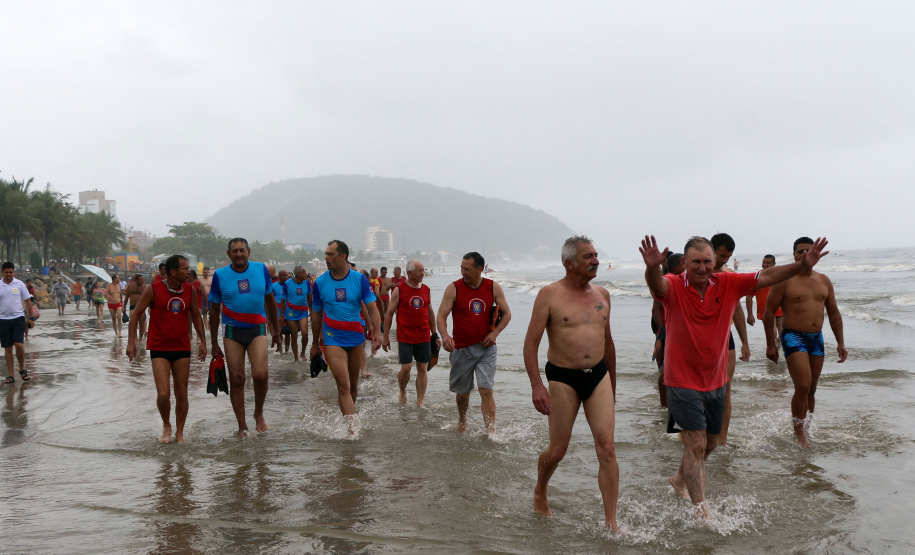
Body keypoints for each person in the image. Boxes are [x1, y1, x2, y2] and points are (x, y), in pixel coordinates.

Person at [640, 234, 829, 519]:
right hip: (680, 380)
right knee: (696, 442)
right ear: (686, 263)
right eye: (695, 262)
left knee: (712, 443)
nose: (702, 267)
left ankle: (680, 478)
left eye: (707, 261)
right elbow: (658, 285)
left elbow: (767, 276)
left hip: (715, 379)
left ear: (714, 261)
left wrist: (801, 265)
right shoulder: (674, 286)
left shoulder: (728, 283)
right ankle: (702, 510)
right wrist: (652, 268)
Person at [523, 236, 619, 530]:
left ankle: (611, 522)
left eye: (596, 255)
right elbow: (531, 344)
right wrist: (537, 385)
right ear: (569, 262)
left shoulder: (603, 294)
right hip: (563, 377)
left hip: (598, 375)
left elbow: (609, 342)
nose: (596, 261)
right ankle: (540, 489)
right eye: (588, 256)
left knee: (607, 449)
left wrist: (612, 386)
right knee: (558, 450)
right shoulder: (549, 294)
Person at [764, 237, 847, 447]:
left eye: (808, 251)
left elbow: (834, 313)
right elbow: (768, 312)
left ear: (816, 254)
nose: (804, 254)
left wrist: (840, 342)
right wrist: (770, 344)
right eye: (800, 251)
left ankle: (807, 428)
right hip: (793, 336)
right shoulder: (785, 280)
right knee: (802, 385)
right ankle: (799, 432)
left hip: (816, 338)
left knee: (812, 388)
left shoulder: (824, 281)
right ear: (794, 255)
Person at [126, 255, 207, 443]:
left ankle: (179, 432)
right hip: (159, 347)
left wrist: (202, 341)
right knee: (163, 394)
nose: (189, 272)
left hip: (181, 347)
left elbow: (196, 316)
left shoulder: (189, 290)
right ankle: (166, 426)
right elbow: (136, 314)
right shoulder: (153, 289)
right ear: (173, 271)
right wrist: (131, 342)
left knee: (181, 393)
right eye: (185, 268)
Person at [208, 238, 281, 437]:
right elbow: (214, 311)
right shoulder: (220, 275)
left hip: (257, 329)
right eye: (234, 251)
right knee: (237, 378)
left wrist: (276, 331)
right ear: (228, 254)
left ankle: (258, 412)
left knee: (260, 374)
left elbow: (270, 300)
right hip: (232, 331)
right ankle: (242, 426)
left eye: (242, 250)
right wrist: (213, 343)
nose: (239, 254)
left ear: (248, 251)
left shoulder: (260, 269)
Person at [309, 240, 382, 429]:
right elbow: (316, 315)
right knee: (342, 383)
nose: (326, 258)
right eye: (326, 254)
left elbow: (372, 308)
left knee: (353, 384)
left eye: (330, 254)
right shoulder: (320, 282)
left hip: (356, 337)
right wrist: (315, 343)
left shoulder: (359, 280)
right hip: (333, 338)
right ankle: (351, 428)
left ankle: (349, 415)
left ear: (343, 256)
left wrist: (378, 332)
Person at [437, 252, 511, 434]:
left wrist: (495, 333)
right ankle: (462, 419)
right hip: (461, 348)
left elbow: (507, 314)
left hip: (486, 348)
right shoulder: (453, 288)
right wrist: (445, 335)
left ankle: (490, 431)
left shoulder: (493, 287)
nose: (463, 272)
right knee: (463, 393)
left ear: (480, 269)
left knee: (486, 390)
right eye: (461, 268)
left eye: (467, 269)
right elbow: (441, 316)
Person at [710, 232, 750, 447]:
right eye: (722, 255)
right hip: (699, 341)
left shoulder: (728, 277)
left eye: (728, 257)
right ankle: (692, 434)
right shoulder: (698, 275)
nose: (725, 260)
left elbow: (737, 309)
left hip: (726, 338)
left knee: (725, 390)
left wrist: (745, 341)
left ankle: (721, 440)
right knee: (696, 390)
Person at [382, 259, 439, 407]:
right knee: (406, 368)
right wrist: (386, 337)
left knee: (422, 367)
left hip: (423, 335)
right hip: (405, 335)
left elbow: (431, 313)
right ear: (409, 273)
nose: (423, 273)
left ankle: (420, 402)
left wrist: (435, 334)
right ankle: (402, 391)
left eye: (423, 270)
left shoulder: (426, 289)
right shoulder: (399, 290)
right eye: (420, 271)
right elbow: (389, 314)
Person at [651, 252, 684, 407]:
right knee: (665, 370)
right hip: (666, 332)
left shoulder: (686, 281)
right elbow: (655, 310)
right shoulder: (665, 282)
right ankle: (664, 406)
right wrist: (663, 330)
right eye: (683, 265)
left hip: (681, 332)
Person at [1, 262, 35, 384]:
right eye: (7, 272)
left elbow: (28, 302)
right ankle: (11, 375)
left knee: (19, 344)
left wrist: (31, 318)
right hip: (3, 320)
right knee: (8, 347)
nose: (9, 274)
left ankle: (22, 369)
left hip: (18, 318)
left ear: (13, 272)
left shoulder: (19, 284)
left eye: (11, 272)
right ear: (2, 272)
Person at [746, 254, 783, 344]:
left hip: (780, 308)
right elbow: (749, 296)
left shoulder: (780, 276)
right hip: (765, 310)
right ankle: (773, 352)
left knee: (783, 333)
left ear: (774, 264)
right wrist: (750, 314)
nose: (765, 264)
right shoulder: (758, 277)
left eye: (768, 263)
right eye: (764, 262)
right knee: (772, 334)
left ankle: (780, 353)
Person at [282, 266, 312, 362]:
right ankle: (296, 358)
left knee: (305, 333)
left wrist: (311, 311)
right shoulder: (287, 284)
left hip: (303, 312)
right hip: (291, 312)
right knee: (294, 335)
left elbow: (309, 298)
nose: (306, 274)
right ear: (299, 274)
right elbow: (283, 300)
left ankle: (302, 352)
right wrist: (281, 316)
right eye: (304, 272)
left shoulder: (307, 283)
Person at [126, 274, 148, 340]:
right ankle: (135, 337)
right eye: (141, 280)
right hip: (132, 306)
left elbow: (148, 298)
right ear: (136, 280)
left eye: (143, 280)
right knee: (133, 322)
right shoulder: (130, 286)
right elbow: (127, 297)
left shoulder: (145, 287)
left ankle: (140, 338)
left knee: (142, 323)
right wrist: (124, 306)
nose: (142, 281)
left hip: (141, 306)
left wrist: (149, 308)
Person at [272, 269, 289, 354]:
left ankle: (287, 350)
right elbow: (270, 299)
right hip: (277, 312)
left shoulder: (289, 285)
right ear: (279, 276)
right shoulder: (274, 286)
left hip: (288, 312)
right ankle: (280, 348)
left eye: (286, 275)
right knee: (279, 331)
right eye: (283, 276)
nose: (285, 277)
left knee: (288, 333)